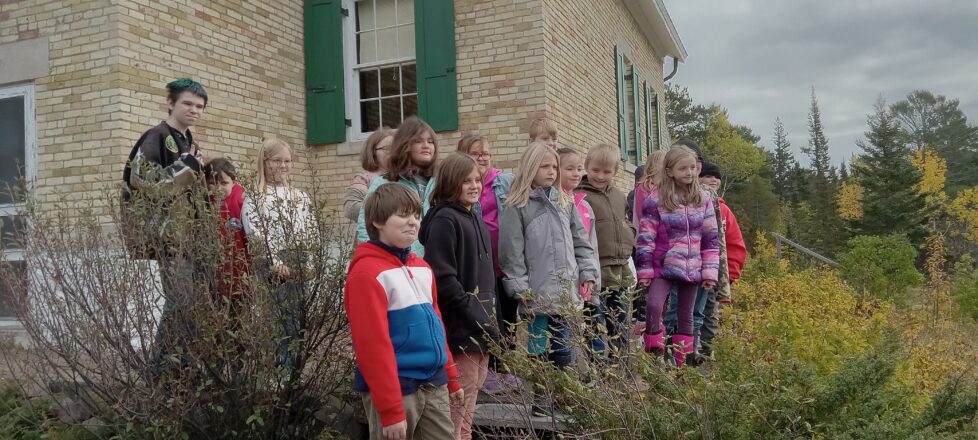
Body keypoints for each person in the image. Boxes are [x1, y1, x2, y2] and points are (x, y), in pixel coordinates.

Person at [346, 183, 464, 440]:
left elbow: (437, 324)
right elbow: (372, 347)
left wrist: (452, 376)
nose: (413, 222)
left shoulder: (422, 267)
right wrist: (390, 410)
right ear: (377, 220)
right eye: (403, 215)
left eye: (416, 215)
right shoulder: (367, 274)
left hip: (434, 382)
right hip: (397, 390)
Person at [498, 142, 598, 416]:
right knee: (538, 343)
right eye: (545, 166)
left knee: (564, 343)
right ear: (530, 168)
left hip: (564, 290)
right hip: (537, 291)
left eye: (554, 166)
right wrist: (520, 286)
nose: (552, 171)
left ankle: (564, 394)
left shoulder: (565, 202)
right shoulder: (516, 206)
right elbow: (511, 252)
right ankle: (541, 396)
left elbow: (582, 243)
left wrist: (588, 272)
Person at [121, 78, 208, 378]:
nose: (194, 110)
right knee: (180, 302)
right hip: (167, 238)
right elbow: (142, 180)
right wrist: (189, 168)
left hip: (189, 238)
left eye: (199, 106)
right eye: (187, 103)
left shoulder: (188, 142)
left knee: (190, 304)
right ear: (170, 103)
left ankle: (180, 368)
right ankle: (159, 371)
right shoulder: (156, 136)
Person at [419, 153, 501, 440]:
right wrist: (474, 314)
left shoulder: (475, 217)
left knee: (470, 403)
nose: (474, 186)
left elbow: (488, 280)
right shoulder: (444, 220)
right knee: (458, 406)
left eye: (477, 180)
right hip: (462, 329)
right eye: (465, 181)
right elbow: (443, 279)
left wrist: (493, 323)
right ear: (449, 183)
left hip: (482, 328)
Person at [635, 145, 720, 368]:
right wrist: (644, 270)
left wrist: (710, 271)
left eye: (692, 167)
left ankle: (684, 365)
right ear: (670, 171)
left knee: (687, 316)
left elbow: (711, 239)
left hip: (692, 268)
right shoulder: (656, 200)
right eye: (683, 168)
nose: (690, 172)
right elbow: (645, 237)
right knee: (653, 306)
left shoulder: (703, 200)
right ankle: (655, 352)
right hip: (663, 266)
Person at [241, 138, 313, 370]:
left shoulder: (300, 196)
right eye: (277, 160)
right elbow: (257, 233)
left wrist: (311, 260)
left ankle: (294, 370)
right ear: (265, 161)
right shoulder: (255, 197)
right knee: (280, 319)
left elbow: (310, 229)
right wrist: (277, 263)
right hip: (274, 263)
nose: (283, 165)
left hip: (299, 258)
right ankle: (281, 369)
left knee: (298, 318)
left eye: (287, 161)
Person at [456, 134, 519, 395]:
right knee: (487, 319)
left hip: (502, 262)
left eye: (486, 153)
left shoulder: (502, 181)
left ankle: (504, 370)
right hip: (479, 267)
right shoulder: (462, 185)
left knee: (508, 319)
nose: (482, 157)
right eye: (475, 153)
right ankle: (486, 372)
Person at [577, 144, 636, 358]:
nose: (600, 176)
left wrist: (631, 233)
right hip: (595, 267)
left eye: (606, 172)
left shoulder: (619, 196)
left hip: (619, 266)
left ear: (615, 172)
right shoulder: (580, 195)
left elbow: (625, 221)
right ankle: (597, 362)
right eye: (595, 170)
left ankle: (619, 362)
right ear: (586, 167)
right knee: (595, 316)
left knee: (619, 317)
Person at [357, 117, 438, 256]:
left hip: (436, 263)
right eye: (418, 141)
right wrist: (375, 257)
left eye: (430, 142)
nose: (426, 145)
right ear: (403, 145)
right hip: (399, 262)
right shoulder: (385, 182)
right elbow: (366, 224)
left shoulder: (440, 181)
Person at [691, 162, 746, 361]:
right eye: (708, 176)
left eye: (716, 177)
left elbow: (735, 245)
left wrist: (730, 274)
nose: (713, 180)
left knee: (710, 314)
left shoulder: (724, 211)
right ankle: (690, 351)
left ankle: (707, 350)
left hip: (714, 273)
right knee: (692, 313)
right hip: (692, 271)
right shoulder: (692, 204)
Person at [556, 147, 603, 356]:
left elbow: (589, 245)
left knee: (585, 325)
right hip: (561, 279)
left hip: (584, 276)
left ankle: (590, 368)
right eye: (569, 169)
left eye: (578, 168)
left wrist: (591, 276)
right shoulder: (555, 203)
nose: (576, 173)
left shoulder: (583, 205)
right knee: (563, 331)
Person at [630, 149, 667, 336]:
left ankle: (655, 319)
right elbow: (647, 214)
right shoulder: (644, 188)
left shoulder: (664, 187)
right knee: (645, 282)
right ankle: (642, 320)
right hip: (645, 242)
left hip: (659, 245)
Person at [204, 158, 249, 299]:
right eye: (212, 183)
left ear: (233, 181)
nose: (218, 188)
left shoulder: (242, 200)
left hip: (242, 267)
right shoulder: (204, 203)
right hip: (217, 268)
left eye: (224, 183)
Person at [344, 127, 394, 223]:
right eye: (387, 148)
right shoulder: (365, 178)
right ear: (372, 152)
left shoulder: (406, 177)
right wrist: (387, 210)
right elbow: (350, 208)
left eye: (395, 148)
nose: (393, 153)